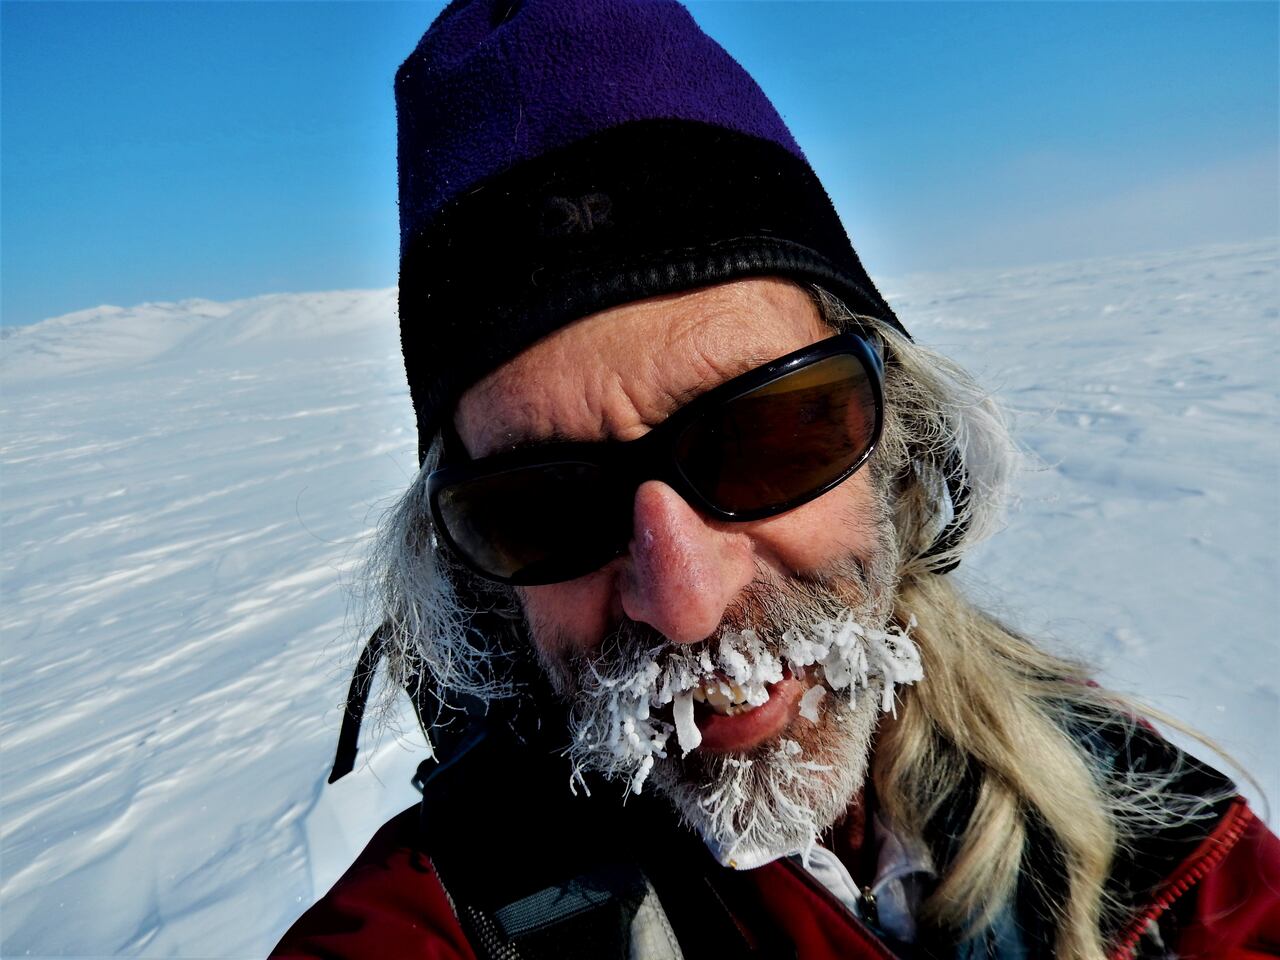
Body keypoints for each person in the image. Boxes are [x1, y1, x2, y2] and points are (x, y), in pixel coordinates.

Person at [272, 1, 1280, 957]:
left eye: (767, 436)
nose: (684, 602)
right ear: (481, 587)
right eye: (542, 508)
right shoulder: (448, 919)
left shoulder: (1143, 820)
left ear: (896, 444)